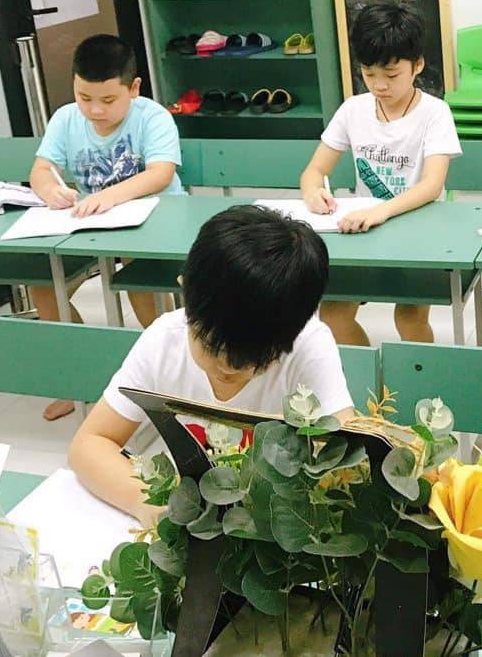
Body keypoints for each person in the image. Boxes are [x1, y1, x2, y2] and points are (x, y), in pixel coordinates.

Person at [69, 206, 354, 526]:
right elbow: (90, 444)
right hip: (195, 520)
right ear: (185, 292)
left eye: (254, 359)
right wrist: (146, 503)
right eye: (210, 345)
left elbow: (346, 456)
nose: (228, 367)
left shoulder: (308, 346)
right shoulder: (163, 342)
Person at [30, 34, 183, 419]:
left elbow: (161, 174)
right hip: (93, 226)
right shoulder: (66, 119)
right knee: (45, 288)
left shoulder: (152, 117)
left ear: (134, 88)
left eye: (108, 100)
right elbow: (41, 170)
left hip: (155, 223)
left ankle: (168, 385)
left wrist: (110, 196)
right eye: (84, 97)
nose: (95, 110)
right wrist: (50, 190)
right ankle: (85, 377)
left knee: (139, 282)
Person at [299, 3, 462, 346]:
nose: (379, 85)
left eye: (391, 75)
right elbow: (315, 169)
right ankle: (375, 375)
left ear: (417, 65)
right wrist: (313, 192)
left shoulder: (435, 113)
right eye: (369, 74)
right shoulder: (353, 109)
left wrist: (380, 211)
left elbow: (432, 185)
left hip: (419, 230)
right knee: (333, 315)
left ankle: (415, 373)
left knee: (409, 318)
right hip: (364, 232)